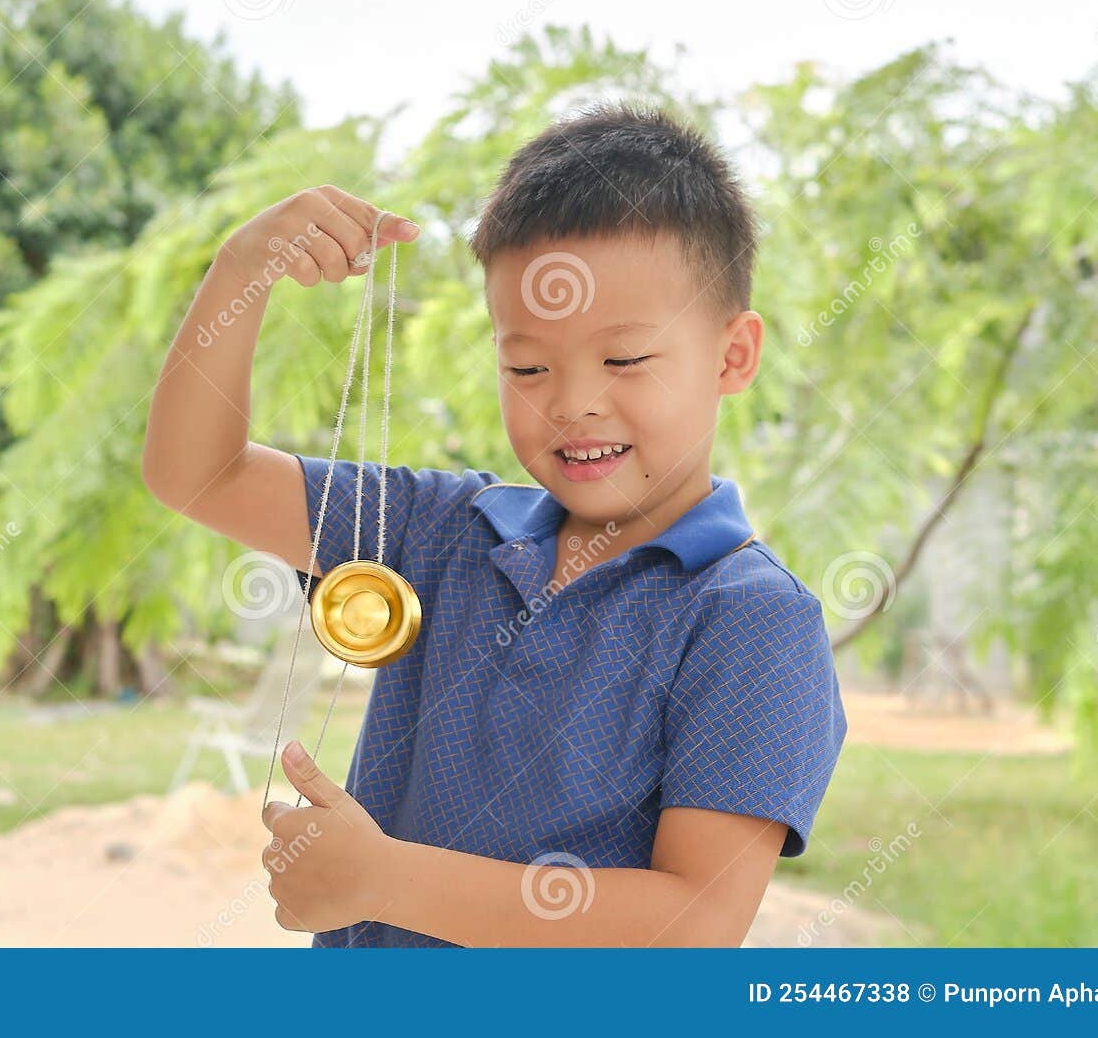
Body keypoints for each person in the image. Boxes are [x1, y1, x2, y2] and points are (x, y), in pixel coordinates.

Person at [143, 102, 848, 946]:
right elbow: (199, 473)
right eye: (528, 365)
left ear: (733, 355)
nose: (573, 403)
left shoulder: (749, 616)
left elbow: (690, 927)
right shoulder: (442, 528)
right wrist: (241, 268)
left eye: (624, 359)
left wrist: (383, 878)